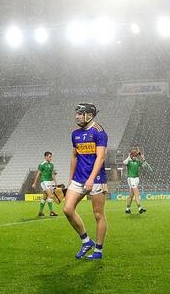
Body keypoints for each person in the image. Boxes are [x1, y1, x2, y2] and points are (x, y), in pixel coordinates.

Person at [62, 102, 107, 260]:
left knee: (98, 214)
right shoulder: (75, 134)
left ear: (89, 115)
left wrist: (91, 178)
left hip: (96, 179)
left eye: (80, 114)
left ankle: (98, 251)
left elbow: (100, 157)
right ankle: (86, 241)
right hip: (79, 178)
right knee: (67, 209)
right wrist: (70, 180)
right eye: (77, 113)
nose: (77, 116)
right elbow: (74, 156)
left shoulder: (99, 132)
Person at [122, 147, 152, 214]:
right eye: (134, 155)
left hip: (136, 179)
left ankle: (127, 209)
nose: (135, 157)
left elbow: (144, 166)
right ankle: (140, 208)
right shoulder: (129, 162)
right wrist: (129, 156)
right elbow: (124, 162)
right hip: (131, 179)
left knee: (131, 195)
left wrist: (143, 158)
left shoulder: (138, 162)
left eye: (136, 155)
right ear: (131, 155)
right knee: (136, 193)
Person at [32, 151, 59, 217]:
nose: (51, 158)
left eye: (51, 157)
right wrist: (34, 183)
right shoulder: (42, 164)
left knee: (45, 197)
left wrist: (56, 183)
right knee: (50, 195)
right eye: (50, 157)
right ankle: (51, 212)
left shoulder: (52, 164)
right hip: (44, 181)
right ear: (45, 157)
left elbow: (53, 174)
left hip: (50, 181)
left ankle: (40, 212)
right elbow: (38, 174)